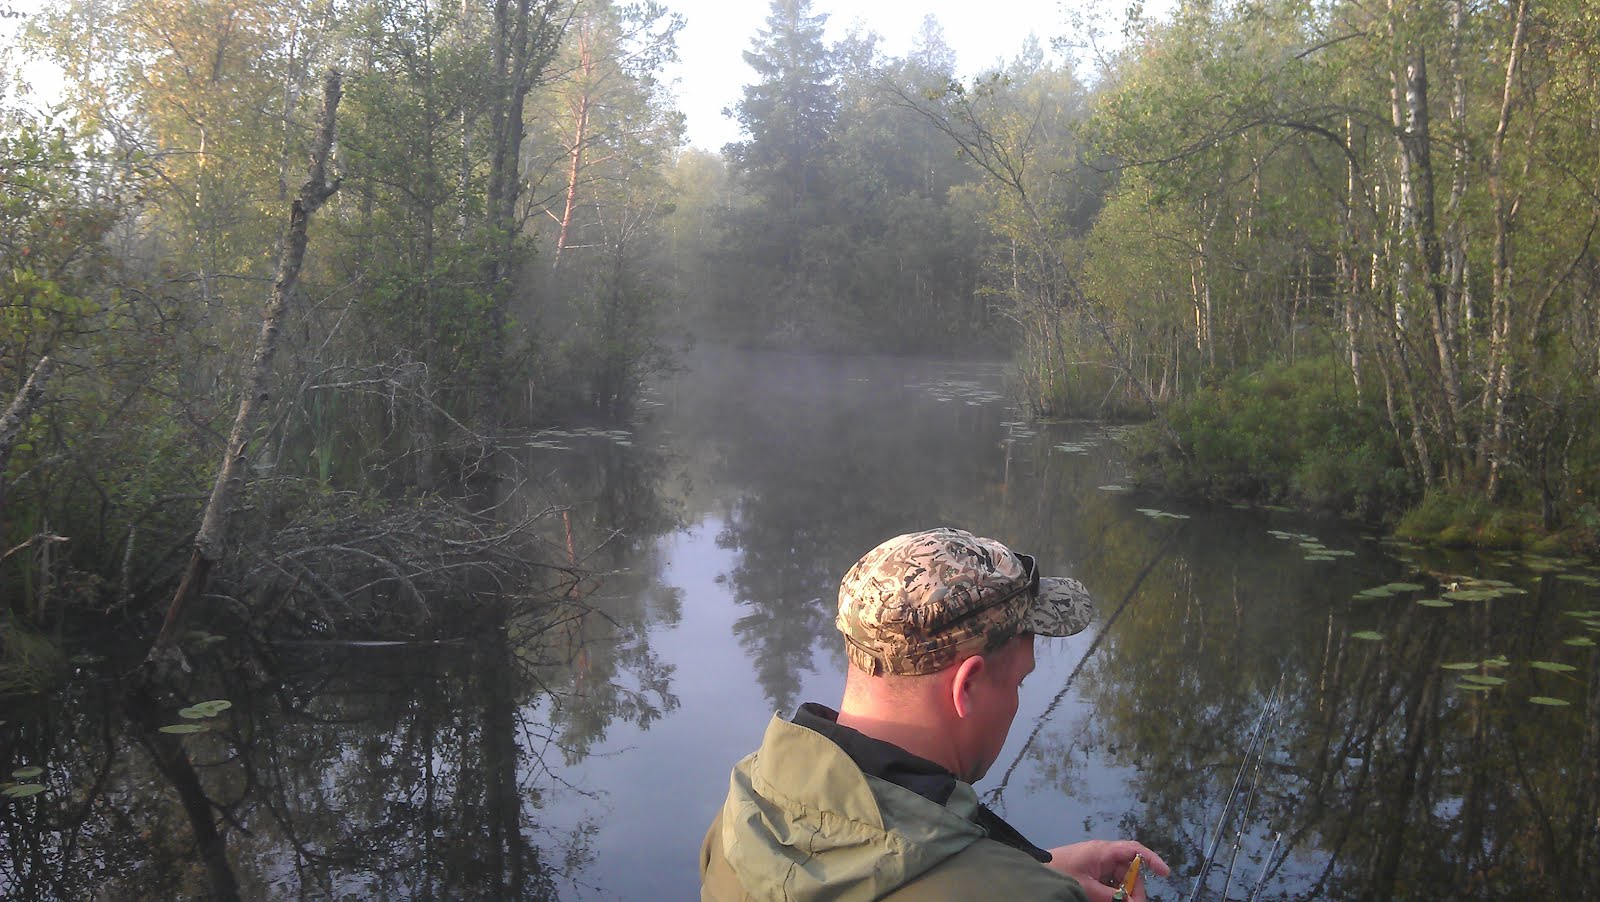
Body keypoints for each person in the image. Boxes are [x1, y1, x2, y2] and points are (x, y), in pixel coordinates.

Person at [700, 527, 1170, 901]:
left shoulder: (743, 815)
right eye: (1019, 681)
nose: (1016, 702)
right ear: (968, 686)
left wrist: (1030, 868)